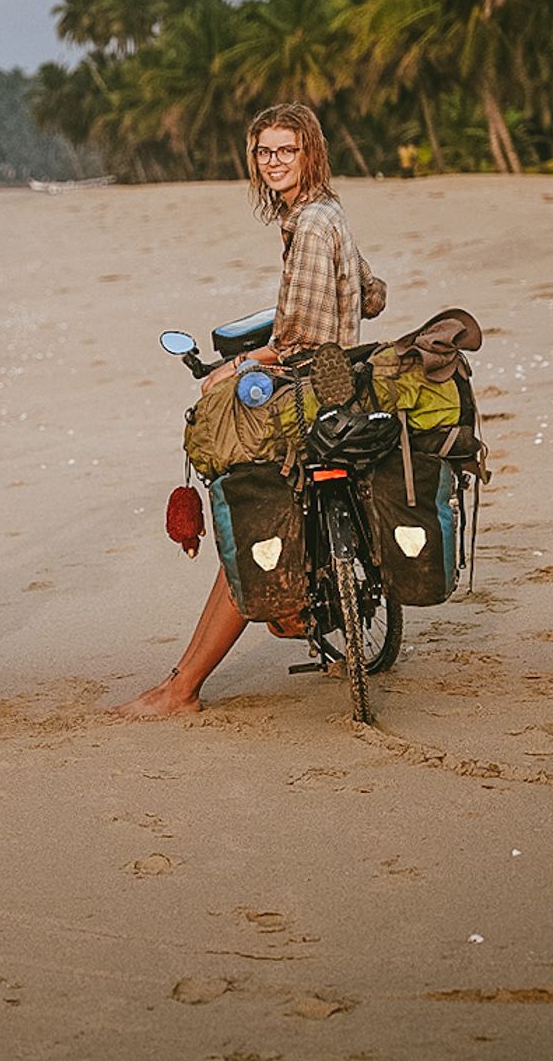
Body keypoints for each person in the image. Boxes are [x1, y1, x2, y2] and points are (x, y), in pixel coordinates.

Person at [116, 103, 365, 718]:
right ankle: (302, 622)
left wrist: (236, 366)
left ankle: (182, 689)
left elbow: (302, 335)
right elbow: (371, 289)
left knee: (246, 516)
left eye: (286, 150)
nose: (274, 161)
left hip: (308, 388)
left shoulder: (308, 225)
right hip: (343, 384)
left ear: (310, 153)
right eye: (264, 151)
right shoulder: (326, 213)